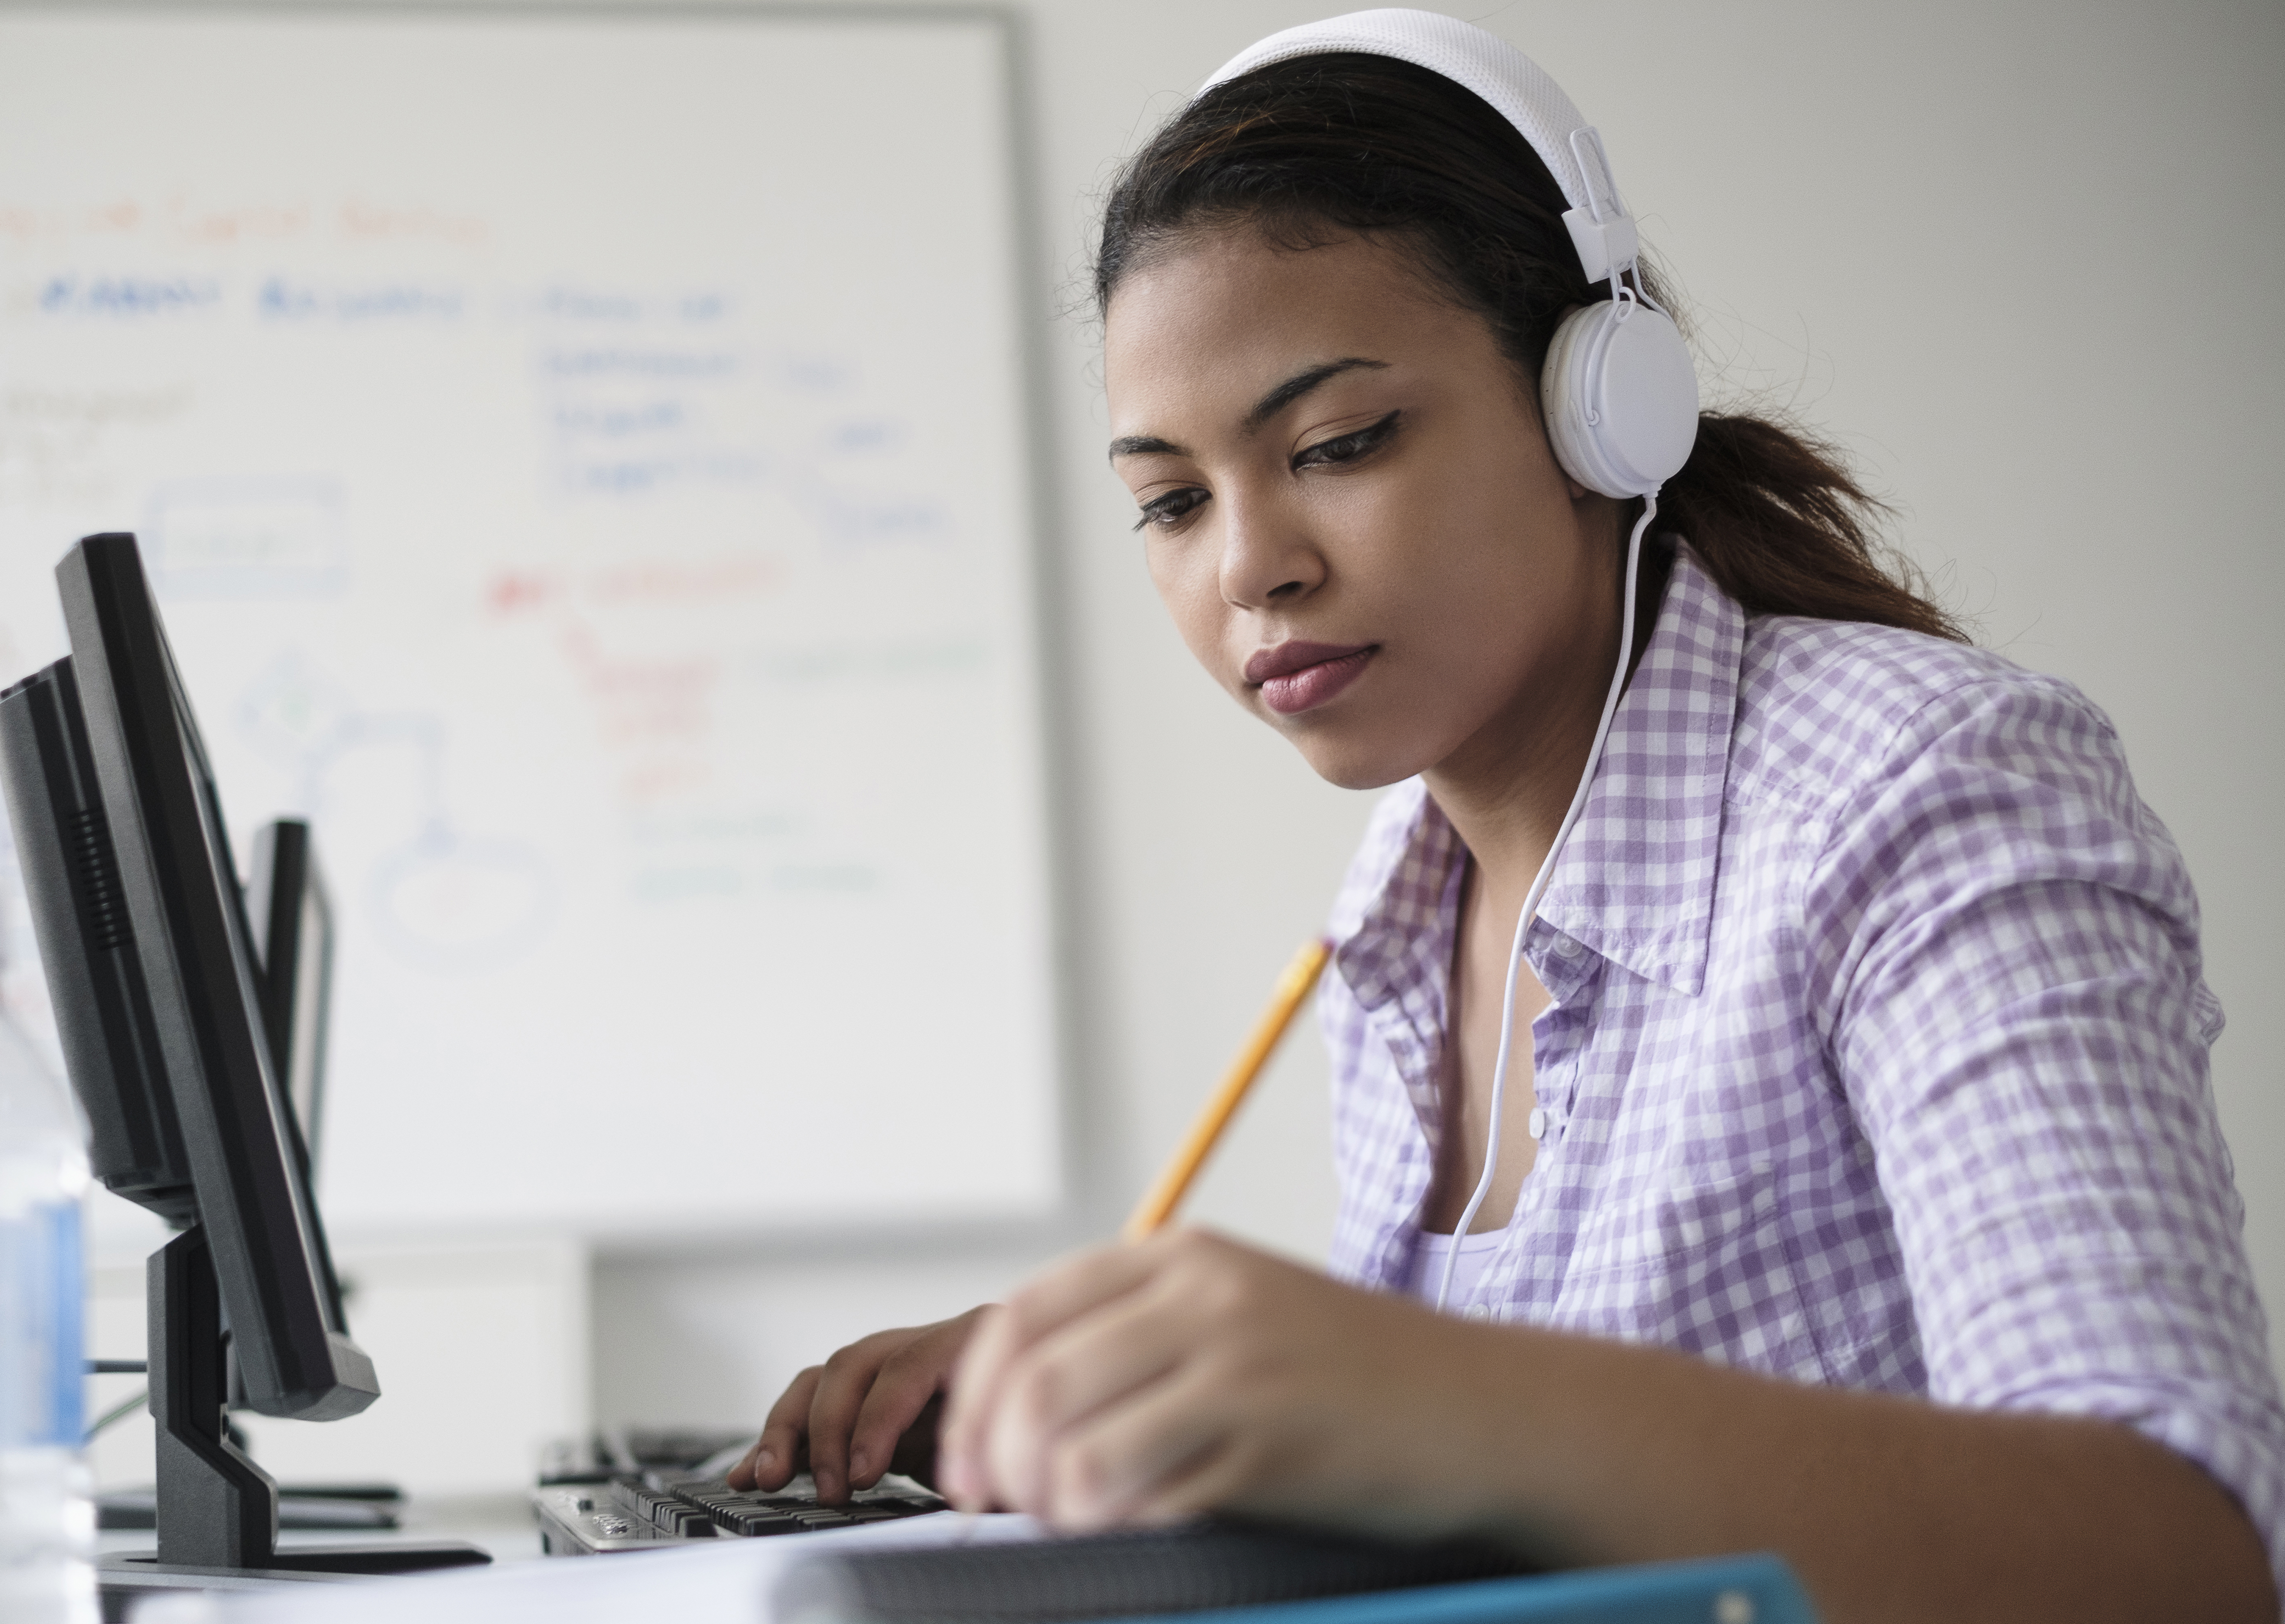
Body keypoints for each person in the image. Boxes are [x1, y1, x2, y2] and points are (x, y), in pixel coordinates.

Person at [727, 13, 2285, 1619]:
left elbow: (2180, 1553)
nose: (1246, 566)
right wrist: (1152, 1397)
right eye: (1171, 501)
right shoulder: (1396, 918)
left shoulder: (1924, 787)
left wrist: (1416, 1390)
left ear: (1600, 408)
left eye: (1336, 444)